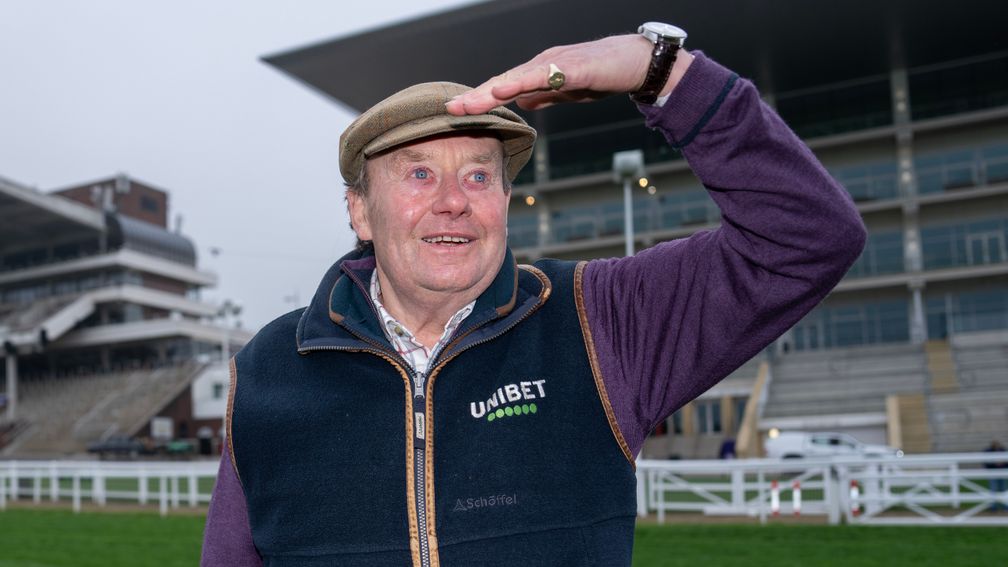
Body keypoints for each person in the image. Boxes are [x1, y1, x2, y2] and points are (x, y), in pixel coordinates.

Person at [201, 25, 866, 566]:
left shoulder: (599, 319)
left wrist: (662, 72)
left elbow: (810, 237)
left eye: (479, 176)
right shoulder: (268, 371)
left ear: (504, 198)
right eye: (420, 173)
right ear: (360, 211)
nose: (454, 201)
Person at [984, 440, 1007, 511]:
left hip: (1002, 472)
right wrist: (994, 464)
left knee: (1003, 489)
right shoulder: (988, 451)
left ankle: (1005, 505)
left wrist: (1002, 464)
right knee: (993, 489)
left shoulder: (1003, 450)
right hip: (992, 473)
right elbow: (986, 463)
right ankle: (993, 506)